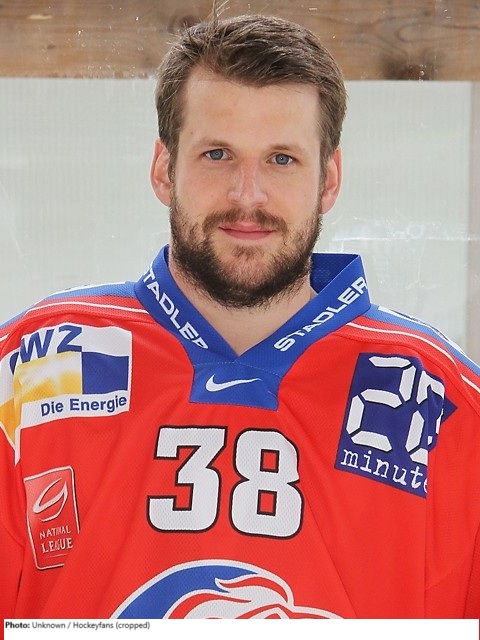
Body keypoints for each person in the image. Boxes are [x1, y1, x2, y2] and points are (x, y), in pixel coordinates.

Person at [1, 12, 479, 620]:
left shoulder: (444, 402)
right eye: (217, 153)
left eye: (282, 159)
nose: (247, 194)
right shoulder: (33, 367)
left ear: (328, 180)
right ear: (164, 169)